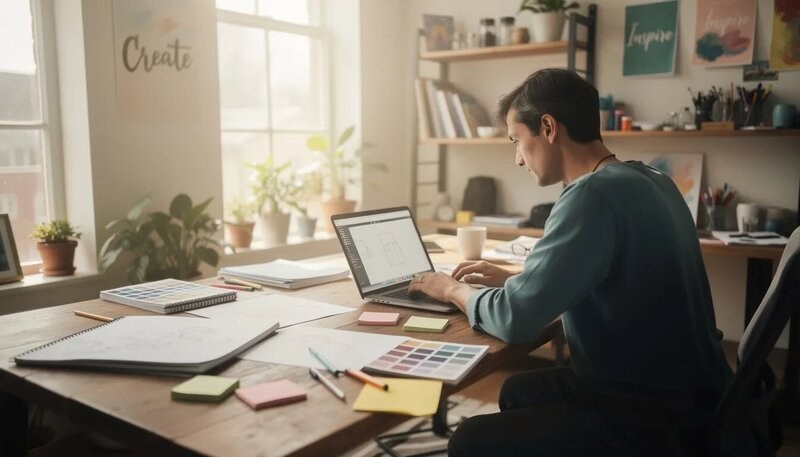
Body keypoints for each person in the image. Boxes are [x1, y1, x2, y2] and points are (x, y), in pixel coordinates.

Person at [407, 68, 733, 456]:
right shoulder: (651, 179)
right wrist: (520, 278)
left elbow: (515, 319)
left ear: (547, 127)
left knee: (469, 441)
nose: (516, 158)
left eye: (516, 140)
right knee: (517, 389)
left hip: (649, 410)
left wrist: (451, 288)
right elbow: (611, 273)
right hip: (696, 390)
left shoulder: (590, 196)